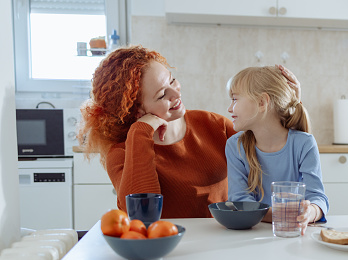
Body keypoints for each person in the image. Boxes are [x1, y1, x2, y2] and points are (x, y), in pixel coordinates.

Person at [77, 45, 301, 218]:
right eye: (162, 95)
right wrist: (140, 132)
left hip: (227, 243)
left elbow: (279, 158)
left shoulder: (213, 125)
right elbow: (142, 217)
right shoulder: (123, 152)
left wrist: (288, 108)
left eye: (172, 81)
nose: (176, 94)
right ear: (135, 111)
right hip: (169, 253)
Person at [225, 66, 329, 234]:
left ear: (261, 103)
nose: (230, 108)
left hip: (294, 233)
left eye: (235, 99)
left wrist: (310, 212)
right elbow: (240, 200)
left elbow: (318, 197)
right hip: (253, 235)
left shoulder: (304, 143)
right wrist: (285, 214)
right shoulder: (235, 146)